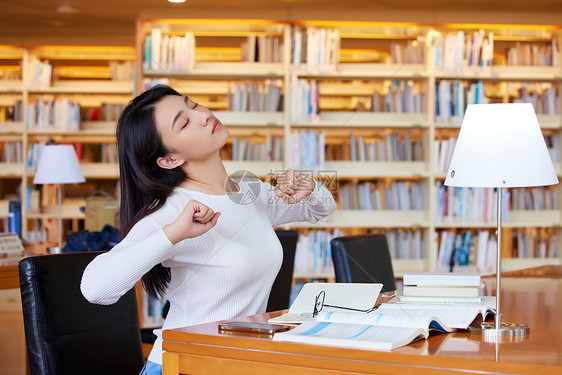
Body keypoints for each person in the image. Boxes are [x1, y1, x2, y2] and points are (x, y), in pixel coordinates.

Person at [80, 85, 336, 375]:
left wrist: (311, 187)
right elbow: (95, 289)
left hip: (238, 362)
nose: (202, 115)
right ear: (169, 160)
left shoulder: (250, 194)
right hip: (183, 365)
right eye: (185, 122)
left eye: (195, 105)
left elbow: (320, 209)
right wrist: (174, 233)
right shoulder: (171, 212)